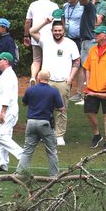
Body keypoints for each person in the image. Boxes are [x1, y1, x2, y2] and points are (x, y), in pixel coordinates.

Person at [29, 10, 80, 146]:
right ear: (52, 31)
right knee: (44, 109)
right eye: (55, 30)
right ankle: (46, 133)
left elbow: (76, 62)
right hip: (47, 82)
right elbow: (32, 31)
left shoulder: (70, 43)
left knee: (61, 109)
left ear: (64, 31)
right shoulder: (45, 40)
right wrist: (45, 22)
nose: (57, 33)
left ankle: (59, 135)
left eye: (59, 30)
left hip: (63, 81)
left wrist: (70, 78)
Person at [15, 70, 64, 177]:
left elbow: (23, 103)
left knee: (27, 149)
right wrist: (51, 107)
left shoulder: (30, 90)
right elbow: (61, 108)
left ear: (38, 78)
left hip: (31, 122)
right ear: (49, 79)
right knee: (51, 150)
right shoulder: (53, 91)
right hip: (45, 123)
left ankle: (20, 173)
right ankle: (54, 175)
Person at [81, 26, 106, 148]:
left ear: (104, 35)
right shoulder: (92, 50)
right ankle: (97, 134)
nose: (95, 35)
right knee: (89, 112)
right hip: (92, 88)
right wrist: (87, 83)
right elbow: (87, 68)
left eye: (97, 34)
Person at [0, 52, 22, 172]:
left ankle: (22, 156)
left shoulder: (9, 75)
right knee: (0, 136)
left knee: (0, 135)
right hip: (2, 111)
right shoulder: (5, 75)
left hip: (7, 111)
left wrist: (3, 111)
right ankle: (2, 163)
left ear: (6, 61)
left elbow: (8, 95)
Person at [25, 0, 60, 84]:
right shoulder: (54, 6)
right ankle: (46, 80)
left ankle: (33, 77)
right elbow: (57, 22)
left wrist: (26, 35)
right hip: (49, 37)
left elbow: (28, 21)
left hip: (35, 35)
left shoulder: (33, 4)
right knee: (48, 59)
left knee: (36, 60)